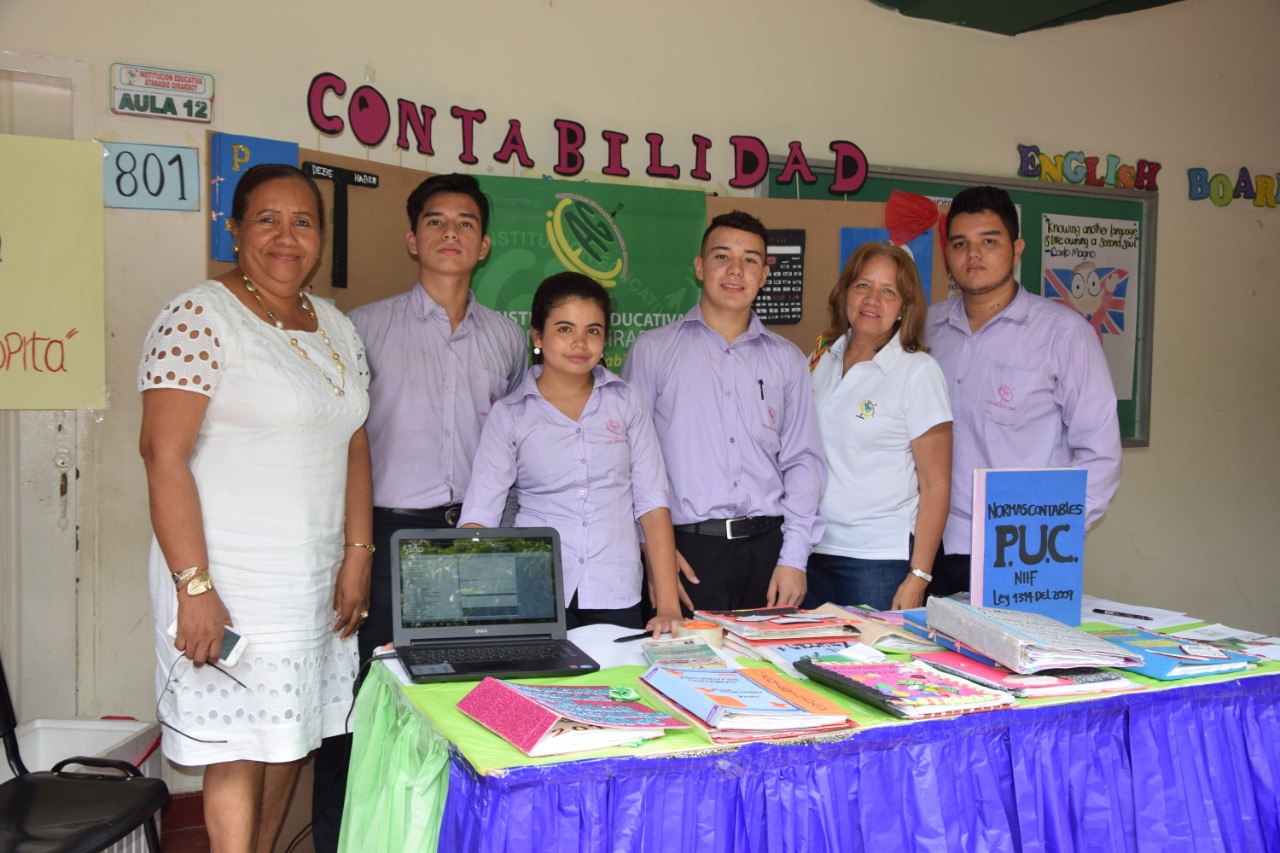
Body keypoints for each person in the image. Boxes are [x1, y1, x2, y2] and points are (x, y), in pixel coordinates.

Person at [138, 163, 372, 853]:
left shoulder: (335, 325)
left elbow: (355, 440)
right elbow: (162, 454)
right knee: (237, 747)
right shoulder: (200, 315)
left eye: (303, 222)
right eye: (267, 219)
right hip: (229, 577)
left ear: (321, 239)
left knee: (291, 735)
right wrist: (194, 587)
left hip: (311, 580)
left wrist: (357, 555)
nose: (286, 236)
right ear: (234, 229)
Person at [312, 173, 525, 849]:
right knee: (364, 702)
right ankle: (341, 837)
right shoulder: (362, 328)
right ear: (412, 238)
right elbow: (339, 440)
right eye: (435, 221)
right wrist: (355, 548)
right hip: (386, 537)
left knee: (468, 698)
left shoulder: (507, 338)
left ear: (484, 244)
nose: (450, 233)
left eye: (466, 222)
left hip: (478, 538)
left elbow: (518, 443)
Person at [623, 211, 827, 612]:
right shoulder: (653, 350)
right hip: (685, 552)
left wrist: (793, 558)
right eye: (722, 256)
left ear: (764, 275)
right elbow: (628, 460)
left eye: (750, 259)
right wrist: (652, 549)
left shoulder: (787, 359)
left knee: (772, 656)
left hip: (770, 554)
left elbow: (804, 460)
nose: (736, 270)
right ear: (700, 267)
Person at [460, 272, 682, 636]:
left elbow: (652, 504)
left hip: (615, 589)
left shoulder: (626, 401)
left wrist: (669, 606)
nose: (580, 342)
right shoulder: (511, 414)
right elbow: (480, 515)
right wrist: (456, 611)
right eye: (565, 329)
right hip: (534, 592)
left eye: (593, 330)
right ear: (537, 335)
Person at [925, 185, 1122, 596]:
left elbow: (1100, 453)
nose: (973, 255)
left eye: (989, 241)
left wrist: (1052, 536)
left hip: (1019, 553)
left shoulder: (1064, 335)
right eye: (960, 243)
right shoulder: (926, 328)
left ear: (1017, 249)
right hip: (926, 546)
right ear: (947, 254)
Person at [804, 242, 952, 612]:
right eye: (863, 286)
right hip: (811, 553)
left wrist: (919, 576)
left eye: (889, 291)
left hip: (879, 562)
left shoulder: (918, 372)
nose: (872, 299)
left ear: (905, 306)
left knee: (878, 653)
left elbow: (936, 484)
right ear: (845, 293)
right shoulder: (820, 358)